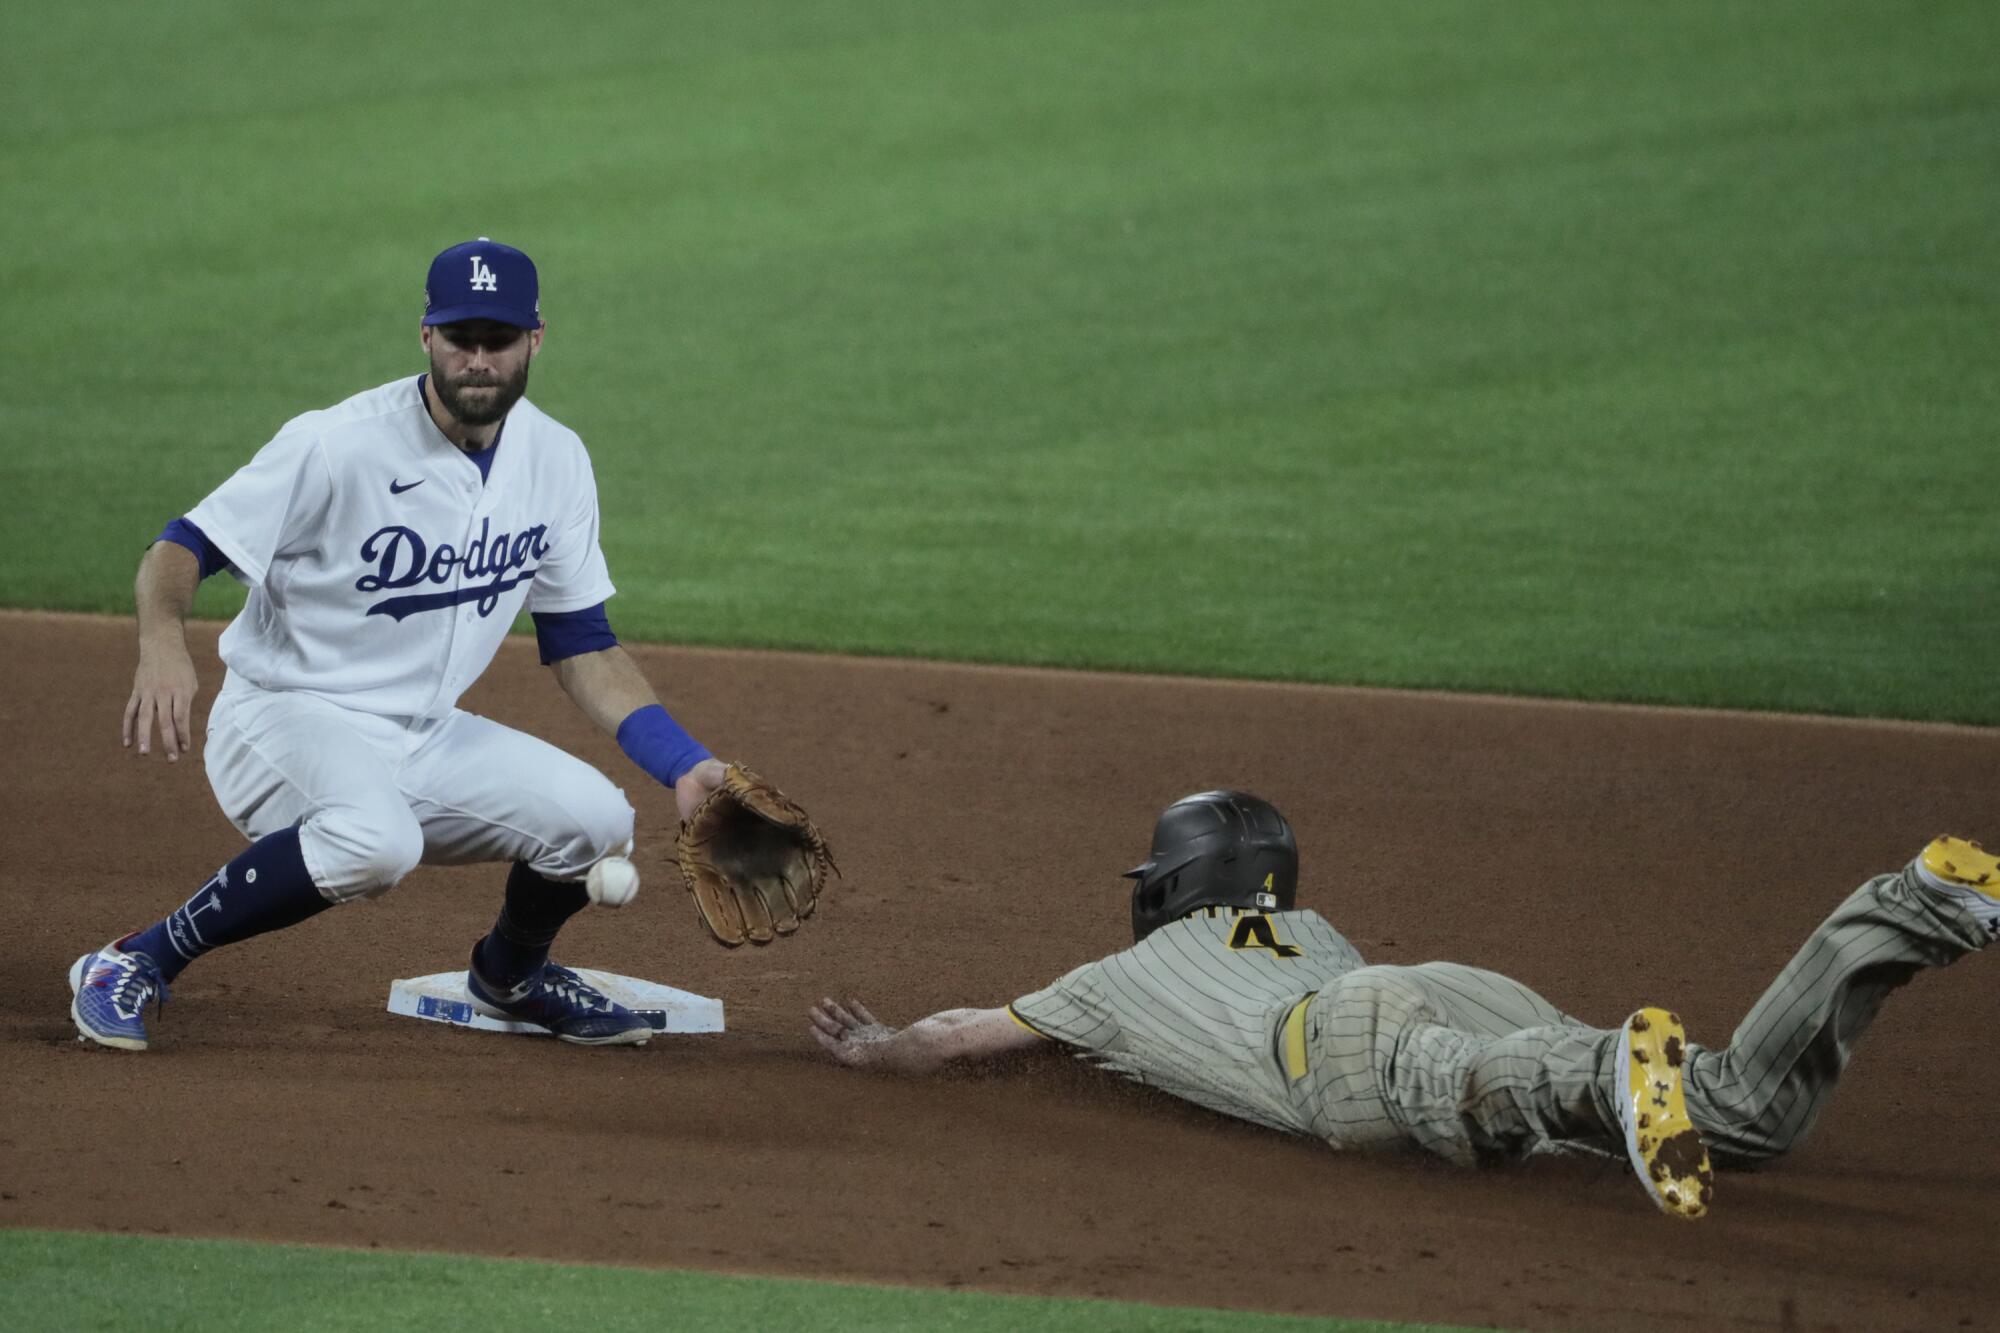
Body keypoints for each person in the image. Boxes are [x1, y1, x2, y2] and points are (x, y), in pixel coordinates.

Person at [71, 238, 731, 1051]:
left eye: (499, 340)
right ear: (426, 336)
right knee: (378, 842)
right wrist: (164, 638)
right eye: (462, 339)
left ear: (536, 338)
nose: (479, 360)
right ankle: (135, 958)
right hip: (282, 717)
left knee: (597, 822)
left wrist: (684, 761)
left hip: (422, 733)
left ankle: (508, 977)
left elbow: (582, 643)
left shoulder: (556, 459)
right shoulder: (336, 444)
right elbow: (183, 544)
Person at [809, 790, 2000, 1218]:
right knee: (1735, 1113)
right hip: (1439, 983)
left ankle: (1592, 1076)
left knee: (1457, 1090)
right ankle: (1908, 910)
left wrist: (876, 1051)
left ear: (1169, 886)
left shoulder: (1106, 983)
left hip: (1344, 1038)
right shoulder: (1306, 926)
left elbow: (959, 1038)